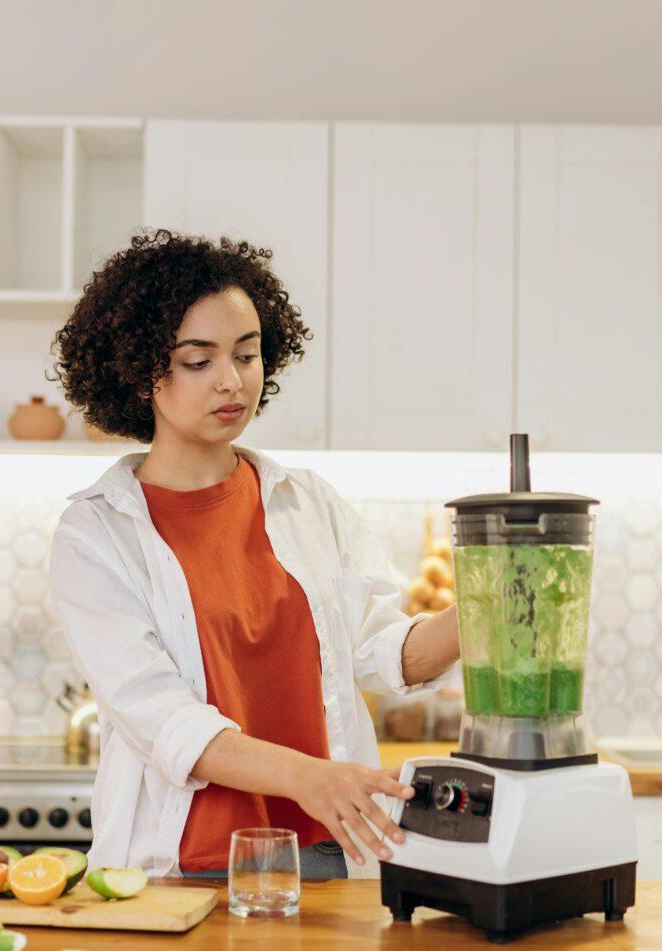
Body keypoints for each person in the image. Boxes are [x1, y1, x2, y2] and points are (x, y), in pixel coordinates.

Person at [48, 229, 460, 881]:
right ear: (138, 371)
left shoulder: (309, 503)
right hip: (178, 872)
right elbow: (159, 717)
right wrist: (311, 778)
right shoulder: (96, 533)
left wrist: (486, 603)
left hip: (325, 854)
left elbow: (379, 653)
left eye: (246, 354)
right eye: (197, 360)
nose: (230, 381)